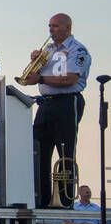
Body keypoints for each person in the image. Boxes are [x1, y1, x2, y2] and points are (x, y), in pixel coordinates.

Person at [21, 13, 91, 208]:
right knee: (39, 151)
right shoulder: (49, 50)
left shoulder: (77, 49)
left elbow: (70, 79)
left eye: (56, 26)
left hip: (66, 102)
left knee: (65, 152)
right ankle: (41, 199)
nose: (51, 30)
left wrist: (41, 79)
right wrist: (36, 62)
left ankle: (64, 200)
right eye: (50, 26)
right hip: (45, 103)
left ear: (67, 28)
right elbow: (29, 79)